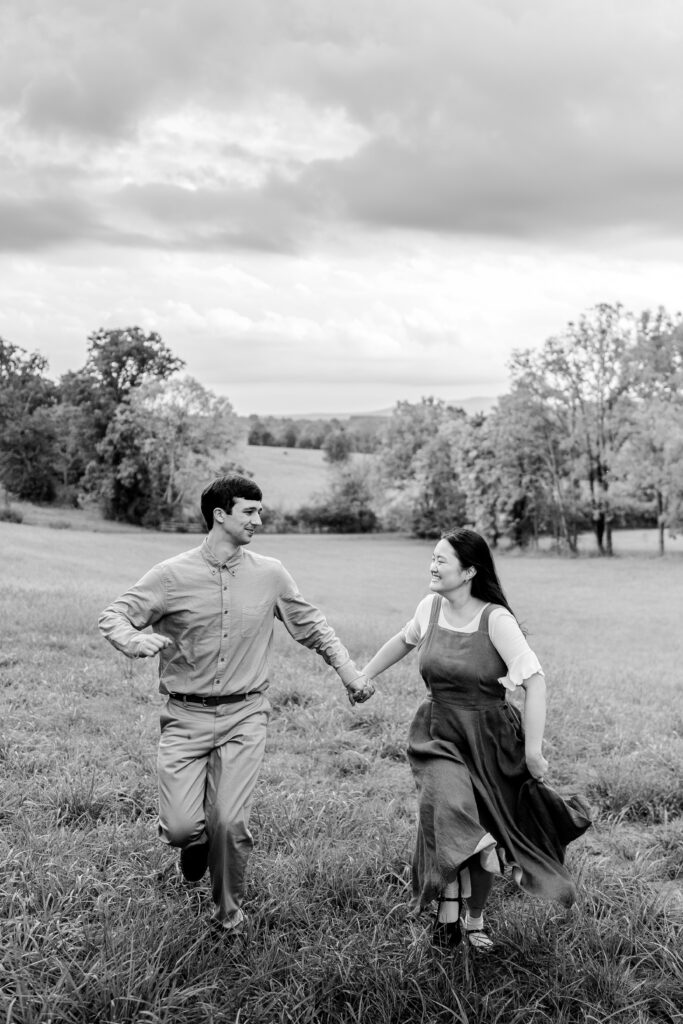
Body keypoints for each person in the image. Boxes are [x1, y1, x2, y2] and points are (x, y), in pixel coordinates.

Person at [99, 474, 372, 936]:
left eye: (259, 511)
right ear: (219, 514)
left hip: (245, 715)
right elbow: (114, 614)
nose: (258, 520)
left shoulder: (270, 573)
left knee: (231, 821)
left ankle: (229, 915)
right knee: (184, 827)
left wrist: (349, 673)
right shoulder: (170, 575)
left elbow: (312, 626)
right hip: (184, 716)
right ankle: (195, 843)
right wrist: (132, 639)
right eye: (249, 511)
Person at [360, 528, 590, 951]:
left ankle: (472, 919)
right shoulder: (429, 608)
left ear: (468, 571)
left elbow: (534, 682)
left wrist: (533, 751)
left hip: (490, 740)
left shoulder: (495, 620)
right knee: (453, 811)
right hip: (437, 735)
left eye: (442, 560)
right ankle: (466, 881)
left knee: (482, 823)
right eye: (432, 557)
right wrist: (365, 676)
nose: (432, 565)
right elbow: (404, 640)